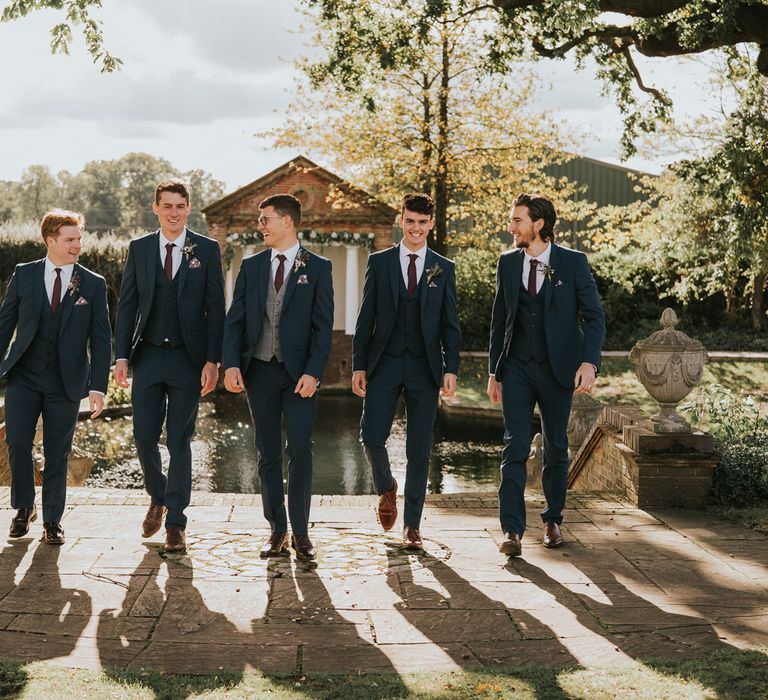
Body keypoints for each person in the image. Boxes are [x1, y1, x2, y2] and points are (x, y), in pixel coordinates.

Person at [487, 193, 605, 558]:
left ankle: (553, 519)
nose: (511, 227)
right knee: (515, 445)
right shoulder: (508, 263)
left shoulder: (572, 263)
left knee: (556, 445)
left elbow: (594, 316)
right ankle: (512, 530)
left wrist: (589, 363)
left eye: (517, 220)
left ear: (538, 224)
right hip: (517, 367)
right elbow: (498, 321)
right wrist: (495, 371)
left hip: (559, 370)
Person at [114, 179, 225, 554]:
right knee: (144, 437)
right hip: (146, 355)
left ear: (188, 208)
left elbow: (216, 310)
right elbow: (127, 304)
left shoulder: (207, 250)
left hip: (187, 360)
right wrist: (121, 355)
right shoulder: (140, 248)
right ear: (156, 208)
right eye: (167, 206)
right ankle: (158, 496)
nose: (174, 212)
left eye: (180, 206)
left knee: (180, 440)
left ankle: (176, 523)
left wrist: (213, 360)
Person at [222, 194, 333, 562]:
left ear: (287, 221)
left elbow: (322, 327)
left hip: (299, 374)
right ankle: (277, 531)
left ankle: (301, 533)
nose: (261, 226)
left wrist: (314, 372)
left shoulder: (318, 267)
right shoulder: (251, 268)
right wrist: (232, 365)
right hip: (260, 370)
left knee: (300, 449)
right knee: (267, 452)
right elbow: (235, 320)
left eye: (266, 219)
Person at [352, 193, 460, 551]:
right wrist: (359, 365)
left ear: (431, 224)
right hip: (383, 363)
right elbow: (366, 316)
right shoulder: (380, 262)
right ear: (402, 221)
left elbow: (450, 324)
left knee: (419, 449)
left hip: (425, 368)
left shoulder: (443, 267)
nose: (416, 228)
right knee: (370, 435)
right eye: (410, 221)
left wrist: (451, 368)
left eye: (422, 222)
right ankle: (386, 487)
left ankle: (412, 527)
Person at [0, 209, 111, 544]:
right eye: (70, 239)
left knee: (56, 451)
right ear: (51, 241)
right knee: (17, 442)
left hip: (66, 381)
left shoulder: (92, 283)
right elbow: (5, 324)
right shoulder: (25, 274)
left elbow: (102, 338)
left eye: (79, 238)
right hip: (24, 376)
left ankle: (52, 520)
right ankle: (23, 508)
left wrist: (97, 386)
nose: (78, 244)